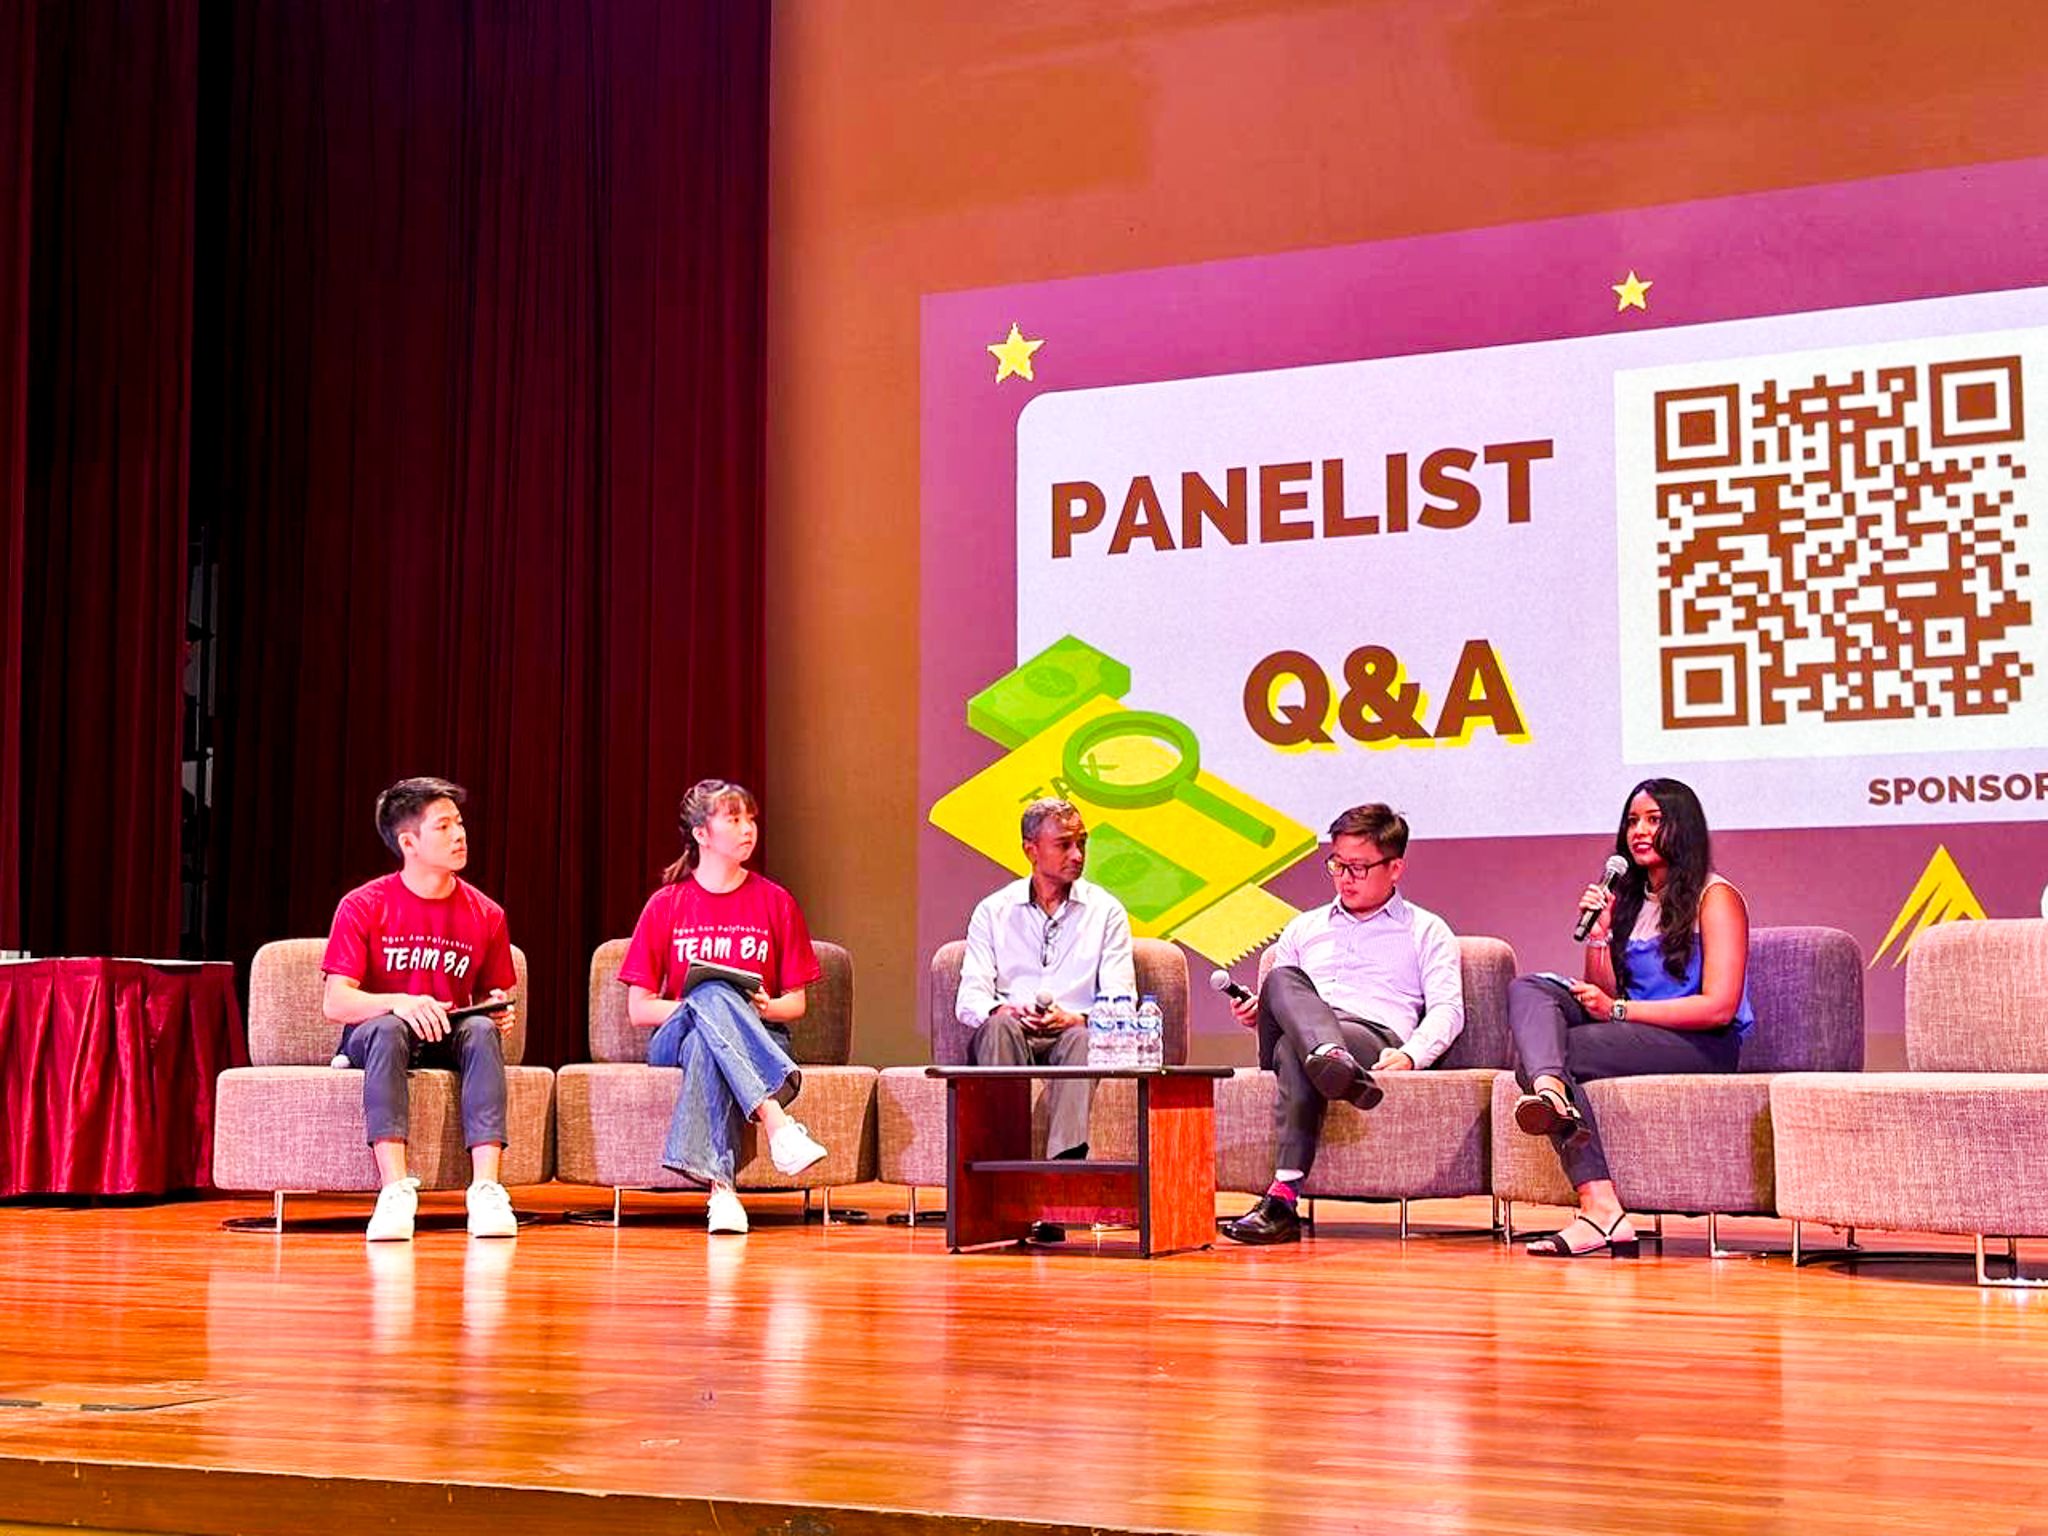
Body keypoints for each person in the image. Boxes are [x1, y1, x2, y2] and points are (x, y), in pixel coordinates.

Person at [1507, 777, 1753, 1258]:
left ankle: (1598, 1206)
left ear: (1683, 828)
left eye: (1654, 820)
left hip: (1704, 1043)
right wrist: (1600, 934)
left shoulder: (1715, 897)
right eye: (1632, 821)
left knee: (1541, 1060)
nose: (1639, 831)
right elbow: (1605, 990)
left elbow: (1719, 1005)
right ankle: (1556, 1101)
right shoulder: (1630, 898)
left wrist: (1618, 1010)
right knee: (1529, 989)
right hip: (1637, 1028)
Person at [1219, 803, 1464, 1245]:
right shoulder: (1303, 927)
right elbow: (1286, 998)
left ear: (1395, 868)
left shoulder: (1426, 930)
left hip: (1368, 1036)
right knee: (1280, 979)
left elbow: (1448, 1009)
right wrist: (1258, 1015)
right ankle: (1329, 1057)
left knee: (1295, 1049)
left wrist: (1412, 1055)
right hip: (1304, 1033)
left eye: (1359, 868)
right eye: (1337, 865)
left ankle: (1281, 1200)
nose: (1345, 878)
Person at [619, 780, 828, 1235]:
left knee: (707, 1046)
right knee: (712, 992)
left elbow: (795, 1004)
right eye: (734, 819)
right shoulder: (666, 905)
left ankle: (723, 1194)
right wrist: (704, 1004)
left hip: (755, 1035)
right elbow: (640, 1009)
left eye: (750, 818)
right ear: (701, 834)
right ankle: (777, 1121)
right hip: (674, 1036)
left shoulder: (776, 901)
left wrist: (762, 1007)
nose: (747, 829)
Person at [322, 777, 519, 1243]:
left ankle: (486, 1190)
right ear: (409, 843)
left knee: (481, 1031)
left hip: (446, 1030)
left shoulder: (486, 913)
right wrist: (400, 1002)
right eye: (443, 826)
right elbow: (336, 1002)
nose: (459, 835)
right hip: (379, 1033)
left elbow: (494, 993)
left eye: (460, 823)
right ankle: (395, 1192)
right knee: (389, 1029)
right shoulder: (364, 905)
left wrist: (498, 1011)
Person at [956, 797, 1136, 1242]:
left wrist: (1076, 1017)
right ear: (1030, 849)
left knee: (1083, 1037)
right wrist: (1003, 1009)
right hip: (1012, 1032)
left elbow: (1121, 1000)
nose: (1077, 855)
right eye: (1064, 844)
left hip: (1071, 1030)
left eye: (1082, 843)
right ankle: (1004, 1179)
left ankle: (1058, 1184)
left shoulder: (1106, 911)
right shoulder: (993, 910)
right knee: (997, 1026)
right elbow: (970, 998)